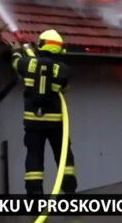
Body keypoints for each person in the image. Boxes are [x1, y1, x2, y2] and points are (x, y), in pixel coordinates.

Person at [11, 29, 77, 197]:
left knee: (34, 155)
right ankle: (69, 190)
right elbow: (65, 88)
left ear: (41, 45)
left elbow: (16, 62)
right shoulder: (63, 70)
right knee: (63, 155)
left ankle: (34, 193)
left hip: (33, 122)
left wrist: (17, 49)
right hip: (56, 123)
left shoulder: (28, 63)